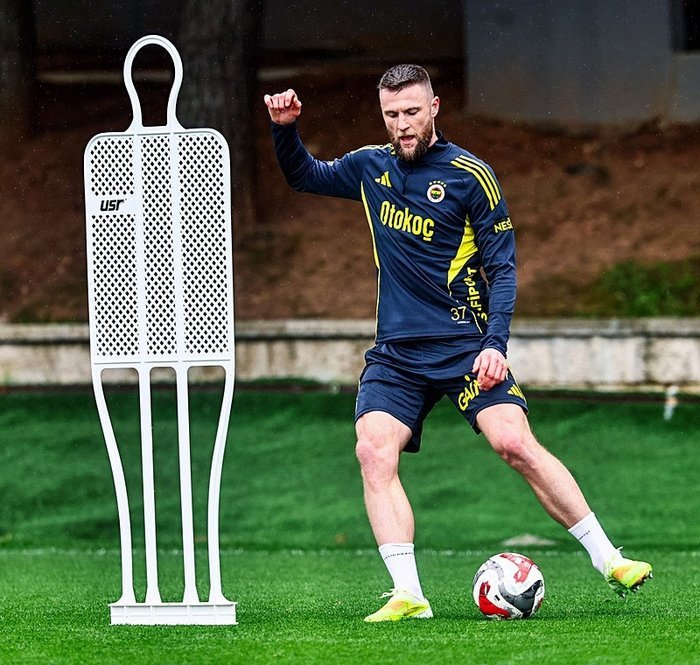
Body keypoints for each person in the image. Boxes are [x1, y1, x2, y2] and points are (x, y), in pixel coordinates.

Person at [264, 64, 652, 622]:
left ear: (434, 108)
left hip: (465, 346)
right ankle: (408, 594)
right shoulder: (369, 167)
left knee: (513, 442)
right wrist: (284, 129)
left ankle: (610, 559)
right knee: (373, 450)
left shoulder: (471, 176)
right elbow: (304, 175)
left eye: (411, 112)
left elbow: (503, 268)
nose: (402, 124)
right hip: (397, 354)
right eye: (392, 114)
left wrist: (496, 343)